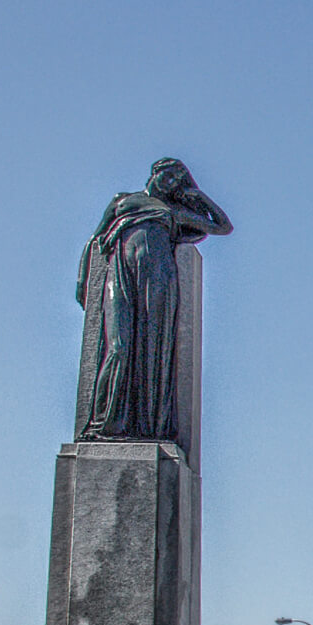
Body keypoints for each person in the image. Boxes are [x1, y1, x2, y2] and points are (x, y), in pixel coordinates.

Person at [76, 158, 233, 441]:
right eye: (169, 176)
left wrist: (198, 195)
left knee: (151, 346)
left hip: (157, 278)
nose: (172, 183)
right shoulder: (122, 201)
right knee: (118, 346)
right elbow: (96, 239)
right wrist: (82, 278)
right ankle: (104, 425)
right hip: (120, 272)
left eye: (178, 181)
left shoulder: (173, 211)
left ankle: (144, 426)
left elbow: (222, 227)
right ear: (155, 173)